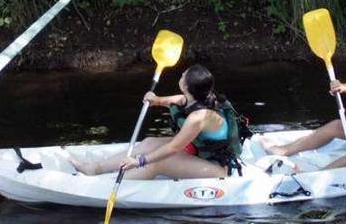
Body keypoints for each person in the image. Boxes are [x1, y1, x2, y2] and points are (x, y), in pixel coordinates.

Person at [66, 64, 247, 179]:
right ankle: (95, 169)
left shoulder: (199, 117)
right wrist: (155, 99)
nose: (181, 74)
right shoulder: (197, 97)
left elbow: (173, 148)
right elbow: (172, 100)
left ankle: (107, 187)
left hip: (218, 168)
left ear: (186, 86)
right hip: (199, 152)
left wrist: (140, 161)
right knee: (149, 142)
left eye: (183, 75)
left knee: (157, 163)